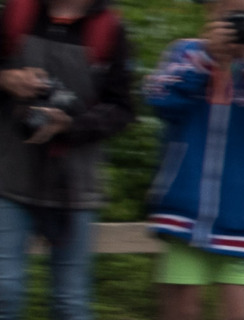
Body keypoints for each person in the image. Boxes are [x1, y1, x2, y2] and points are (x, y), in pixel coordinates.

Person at [141, 5, 244, 318]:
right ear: (211, 15)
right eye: (232, 15)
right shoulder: (185, 53)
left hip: (241, 217)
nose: (240, 25)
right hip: (183, 213)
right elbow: (158, 100)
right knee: (182, 311)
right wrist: (207, 61)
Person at [0, 0, 133, 316]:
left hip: (75, 186)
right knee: (4, 290)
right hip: (8, 178)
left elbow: (122, 110)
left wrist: (71, 124)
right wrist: (6, 79)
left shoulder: (110, 28)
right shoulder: (15, 13)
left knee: (70, 302)